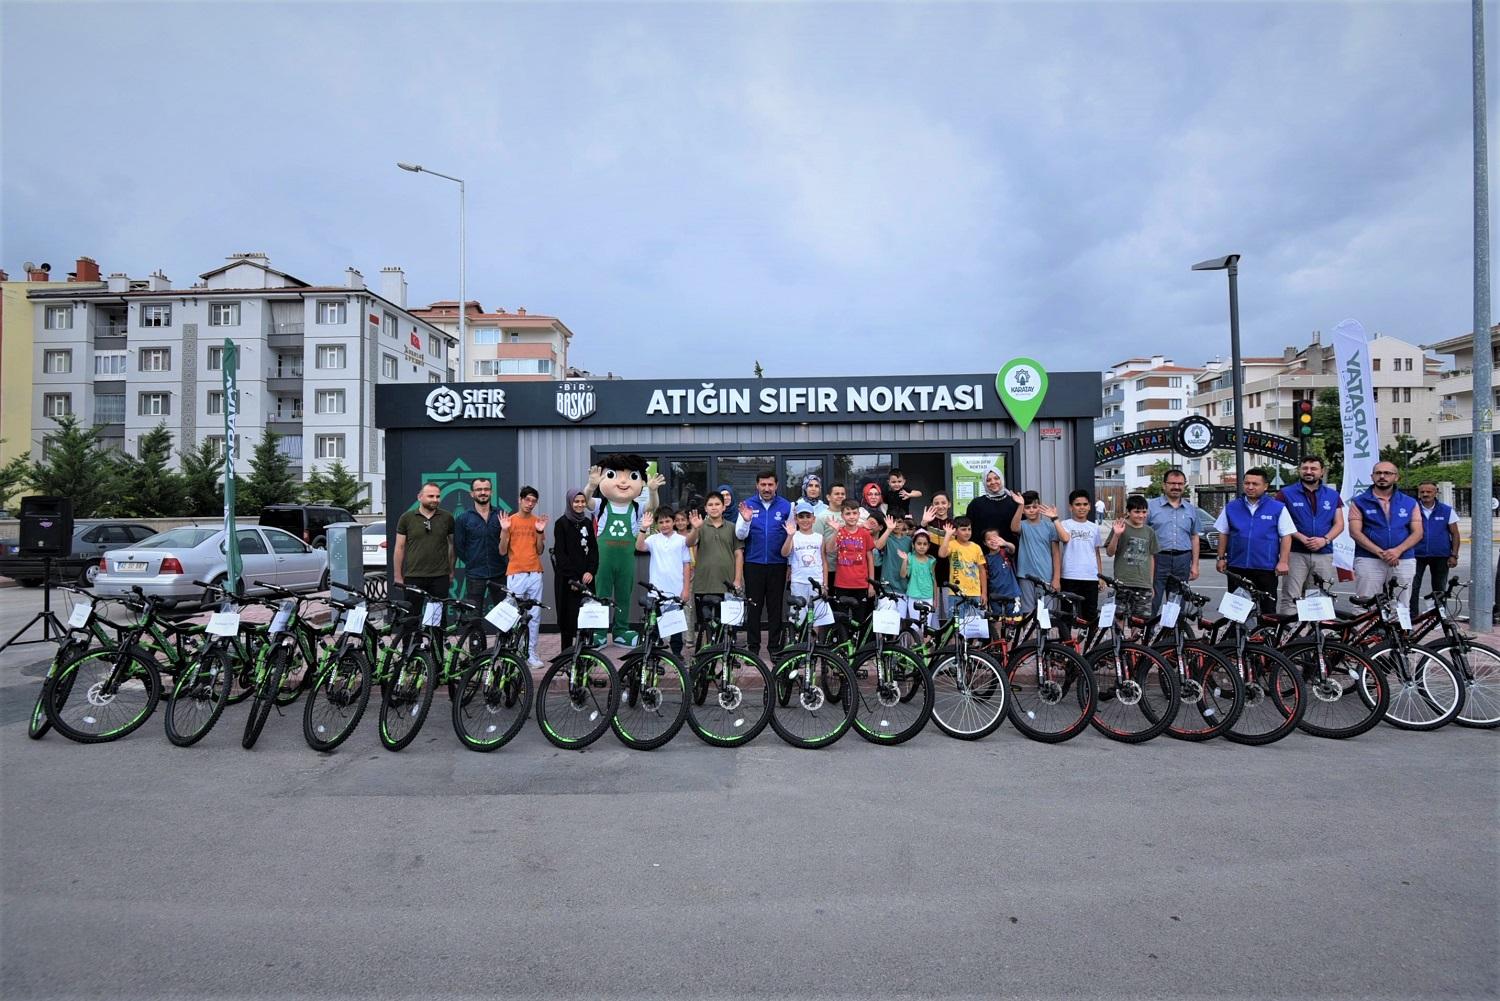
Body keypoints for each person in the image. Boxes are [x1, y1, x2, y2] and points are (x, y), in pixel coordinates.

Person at [1214, 468, 1294, 613]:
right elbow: (1223, 533)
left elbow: (1286, 536)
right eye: (1247, 483)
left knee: (1267, 610)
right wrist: (1220, 558)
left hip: (1266, 568)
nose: (1250, 487)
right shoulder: (1232, 507)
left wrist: (1283, 561)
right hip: (1237, 567)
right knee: (1235, 611)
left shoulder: (1278, 508)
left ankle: (1265, 635)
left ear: (1265, 486)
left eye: (1255, 484)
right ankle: (1236, 636)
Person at [1273, 456, 1344, 614]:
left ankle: (1317, 635)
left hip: (1323, 553)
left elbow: (1339, 524)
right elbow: (1280, 523)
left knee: (1319, 597)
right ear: (1300, 470)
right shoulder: (1285, 494)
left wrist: (1324, 540)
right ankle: (1289, 635)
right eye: (1305, 468)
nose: (1309, 472)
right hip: (1295, 552)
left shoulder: (1333, 495)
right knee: (1291, 596)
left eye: (1313, 469)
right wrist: (1301, 537)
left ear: (1322, 472)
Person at [735, 469, 794, 653]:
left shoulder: (787, 506)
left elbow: (791, 537)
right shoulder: (747, 506)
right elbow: (739, 535)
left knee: (775, 607)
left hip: (778, 564)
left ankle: (775, 647)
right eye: (763, 484)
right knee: (754, 607)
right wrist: (746, 521)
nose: (767, 488)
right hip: (753, 564)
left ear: (776, 485)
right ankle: (753, 647)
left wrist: (790, 565)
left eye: (770, 484)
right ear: (757, 485)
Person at [1347, 461, 1423, 600]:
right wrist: (1381, 553)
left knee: (1400, 605)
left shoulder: (1410, 502)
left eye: (1387, 473)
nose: (1382, 476)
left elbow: (1418, 532)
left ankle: (1397, 623)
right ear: (1372, 476)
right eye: (1378, 473)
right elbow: (1355, 532)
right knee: (1365, 605)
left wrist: (1397, 551)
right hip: (1368, 558)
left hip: (1402, 559)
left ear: (1396, 477)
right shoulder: (1359, 501)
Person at [683, 493, 743, 647]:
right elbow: (689, 543)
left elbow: (738, 554)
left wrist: (737, 579)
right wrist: (695, 529)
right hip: (704, 584)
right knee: (705, 625)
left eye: (717, 504)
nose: (714, 507)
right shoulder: (700, 526)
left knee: (729, 623)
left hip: (727, 583)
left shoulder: (732, 527)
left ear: (724, 507)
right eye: (710, 505)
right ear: (706, 508)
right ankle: (705, 655)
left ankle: (728, 653)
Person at [499, 486, 549, 668]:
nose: (530, 504)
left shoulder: (537, 521)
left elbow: (540, 550)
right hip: (515, 573)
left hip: (535, 572)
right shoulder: (509, 521)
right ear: (520, 500)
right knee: (512, 614)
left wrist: (540, 532)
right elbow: (502, 550)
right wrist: (504, 531)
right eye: (527, 500)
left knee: (534, 615)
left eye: (533, 501)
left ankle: (531, 653)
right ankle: (511, 651)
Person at [636, 506, 691, 655]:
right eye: (661, 522)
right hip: (655, 591)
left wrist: (686, 589)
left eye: (667, 521)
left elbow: (687, 565)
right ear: (657, 524)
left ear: (673, 522)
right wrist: (643, 529)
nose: (664, 525)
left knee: (675, 628)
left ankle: (677, 655)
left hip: (675, 591)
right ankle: (654, 656)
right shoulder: (653, 539)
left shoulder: (682, 540)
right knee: (654, 627)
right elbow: (639, 547)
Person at [829, 499, 891, 621]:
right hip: (842, 583)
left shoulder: (864, 534)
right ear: (842, 516)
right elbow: (830, 549)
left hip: (861, 584)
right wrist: (836, 531)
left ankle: (857, 641)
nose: (851, 516)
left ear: (859, 514)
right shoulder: (840, 532)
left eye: (854, 513)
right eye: (848, 514)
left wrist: (871, 585)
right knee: (842, 620)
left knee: (859, 620)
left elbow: (870, 560)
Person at [394, 481, 455, 604]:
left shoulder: (447, 517)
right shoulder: (407, 518)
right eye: (431, 496)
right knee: (411, 616)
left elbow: (452, 545)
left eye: (438, 496)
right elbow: (399, 548)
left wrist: (451, 570)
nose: (435, 499)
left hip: (440, 576)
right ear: (419, 497)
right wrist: (398, 576)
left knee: (437, 618)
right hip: (413, 576)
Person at [1146, 469, 1199, 611]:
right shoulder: (1150, 507)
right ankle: (1147, 633)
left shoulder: (1191, 509)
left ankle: (1173, 633)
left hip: (1182, 560)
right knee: (1153, 600)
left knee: (1177, 603)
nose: (1176, 487)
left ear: (1184, 485)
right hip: (1157, 559)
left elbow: (1194, 537)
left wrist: (1194, 565)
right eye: (1172, 483)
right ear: (1164, 485)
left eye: (1180, 484)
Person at [552, 488, 598, 651]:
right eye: (576, 501)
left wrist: (591, 571)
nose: (579, 505)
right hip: (568, 581)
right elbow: (561, 554)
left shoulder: (587, 522)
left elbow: (593, 550)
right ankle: (565, 655)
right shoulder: (561, 524)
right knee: (568, 619)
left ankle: (585, 655)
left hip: (586, 580)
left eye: (582, 501)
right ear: (570, 503)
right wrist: (573, 578)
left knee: (587, 618)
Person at [454, 477, 507, 616]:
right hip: (475, 574)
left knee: (505, 616)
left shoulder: (501, 515)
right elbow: (459, 547)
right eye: (479, 489)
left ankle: (504, 638)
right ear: (472, 493)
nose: (483, 492)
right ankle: (476, 639)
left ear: (491, 492)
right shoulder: (463, 518)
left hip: (499, 573)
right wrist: (473, 560)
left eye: (486, 489)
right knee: (474, 617)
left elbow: (507, 543)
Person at [1058, 489, 1105, 640]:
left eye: (1085, 504)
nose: (1082, 507)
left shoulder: (1094, 527)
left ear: (1090, 506)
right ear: (1070, 507)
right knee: (1066, 615)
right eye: (1078, 504)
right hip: (1069, 575)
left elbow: (1096, 552)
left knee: (1090, 616)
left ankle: (1087, 650)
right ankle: (1066, 649)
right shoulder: (1064, 524)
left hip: (1090, 577)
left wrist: (1100, 576)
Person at [1411, 480, 1460, 619]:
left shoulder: (1446, 510)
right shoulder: (1412, 509)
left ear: (1436, 492)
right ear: (1419, 493)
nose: (1425, 494)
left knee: (1439, 588)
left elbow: (1455, 533)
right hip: (1416, 554)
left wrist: (1454, 555)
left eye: (1429, 491)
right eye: (1422, 492)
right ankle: (1412, 615)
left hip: (1441, 555)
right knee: (1413, 586)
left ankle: (1438, 616)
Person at [1106, 495, 1159, 621]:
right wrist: (1116, 535)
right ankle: (1119, 641)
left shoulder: (1149, 531)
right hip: (1123, 582)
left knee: (1140, 620)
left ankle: (1135, 641)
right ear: (1128, 512)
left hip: (1143, 583)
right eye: (1137, 512)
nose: (1141, 515)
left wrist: (1150, 583)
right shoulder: (1120, 527)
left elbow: (1151, 557)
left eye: (1144, 512)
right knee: (1119, 617)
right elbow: (1110, 552)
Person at [1010, 490, 1061, 614]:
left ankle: (1044, 634)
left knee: (1047, 613)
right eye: (1027, 508)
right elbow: (1014, 528)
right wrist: (1020, 505)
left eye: (1034, 506)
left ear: (1040, 507)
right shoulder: (1022, 525)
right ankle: (1030, 634)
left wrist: (1056, 578)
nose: (1031, 510)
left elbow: (1056, 554)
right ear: (1023, 510)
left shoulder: (1050, 527)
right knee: (1027, 611)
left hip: (1046, 576)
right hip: (1025, 575)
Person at [782, 501, 829, 633]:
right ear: (796, 519)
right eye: (801, 517)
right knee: (798, 617)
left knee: (816, 618)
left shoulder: (819, 537)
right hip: (798, 582)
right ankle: (797, 646)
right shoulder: (794, 536)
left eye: (808, 516)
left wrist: (825, 584)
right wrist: (789, 536)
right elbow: (784, 553)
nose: (805, 520)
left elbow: (824, 561)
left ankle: (813, 646)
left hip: (817, 582)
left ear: (813, 519)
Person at [965, 467, 1023, 547]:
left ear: (1002, 479)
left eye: (996, 478)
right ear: (984, 483)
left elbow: (1022, 529)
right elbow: (969, 529)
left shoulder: (1014, 502)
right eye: (988, 480)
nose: (993, 482)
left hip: (1009, 552)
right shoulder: (976, 504)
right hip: (982, 553)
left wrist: (1021, 505)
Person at [981, 527, 1021, 640]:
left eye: (996, 538)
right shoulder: (985, 559)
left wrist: (1005, 543)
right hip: (995, 595)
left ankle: (1010, 649)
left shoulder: (1005, 552)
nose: (993, 541)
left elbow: (1013, 548)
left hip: (1012, 593)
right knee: (996, 622)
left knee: (1013, 623)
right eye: (989, 539)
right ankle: (997, 646)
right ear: (984, 542)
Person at [938, 516, 986, 609]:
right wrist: (948, 535)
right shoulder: (952, 544)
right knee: (956, 622)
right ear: (955, 532)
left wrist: (983, 593)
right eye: (963, 529)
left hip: (974, 593)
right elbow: (941, 554)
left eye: (969, 529)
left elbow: (982, 571)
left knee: (975, 622)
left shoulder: (976, 547)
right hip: (956, 593)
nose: (967, 532)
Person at [899, 528, 938, 627]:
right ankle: (915, 642)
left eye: (925, 544)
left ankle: (925, 642)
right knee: (915, 626)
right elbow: (903, 575)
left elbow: (934, 580)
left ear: (929, 546)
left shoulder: (931, 561)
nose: (922, 547)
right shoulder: (910, 558)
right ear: (913, 545)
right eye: (919, 543)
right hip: (913, 596)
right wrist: (904, 560)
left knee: (927, 626)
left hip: (928, 597)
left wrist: (935, 599)